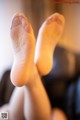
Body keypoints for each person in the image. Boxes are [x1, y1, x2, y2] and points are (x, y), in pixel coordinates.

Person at [0, 13, 67, 120]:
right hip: (13, 111)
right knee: (4, 112)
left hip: (14, 114)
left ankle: (31, 73)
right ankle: (33, 74)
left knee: (4, 113)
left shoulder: (6, 75)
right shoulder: (7, 75)